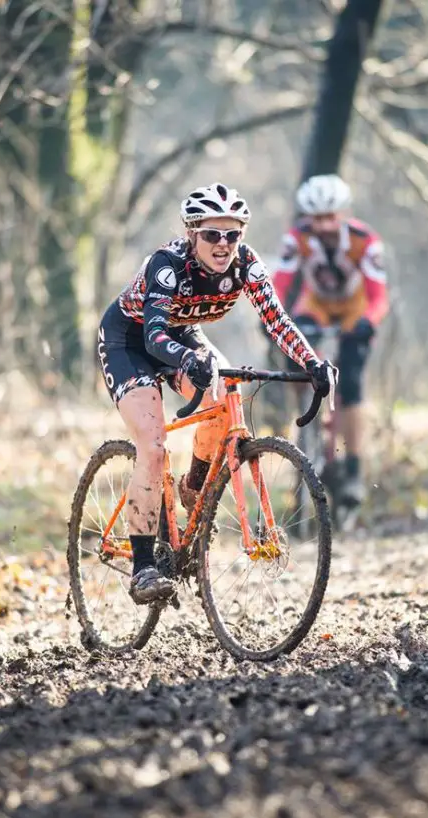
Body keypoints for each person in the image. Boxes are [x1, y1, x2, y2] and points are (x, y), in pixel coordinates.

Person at [97, 182, 337, 604]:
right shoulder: (168, 265)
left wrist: (311, 362)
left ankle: (193, 486)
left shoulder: (246, 265)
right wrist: (185, 360)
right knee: (153, 448)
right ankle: (142, 568)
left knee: (227, 397)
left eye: (232, 234)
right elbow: (153, 336)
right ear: (193, 233)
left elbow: (277, 321)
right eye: (212, 234)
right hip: (131, 342)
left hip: (184, 336)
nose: (223, 244)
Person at [272, 173, 389, 507]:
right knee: (300, 356)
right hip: (317, 305)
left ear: (343, 212)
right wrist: (273, 318)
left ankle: (353, 466)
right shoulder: (297, 239)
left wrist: (369, 321)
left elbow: (379, 296)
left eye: (330, 217)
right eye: (317, 218)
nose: (323, 225)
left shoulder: (365, 239)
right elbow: (279, 284)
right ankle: (307, 428)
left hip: (355, 308)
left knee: (351, 384)